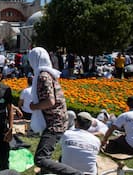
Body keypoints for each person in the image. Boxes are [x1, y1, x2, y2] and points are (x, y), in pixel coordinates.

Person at [28, 47, 82, 175]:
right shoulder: (49, 74)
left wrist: (33, 107)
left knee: (40, 159)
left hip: (54, 123)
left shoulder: (43, 76)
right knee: (46, 155)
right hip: (56, 120)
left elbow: (50, 102)